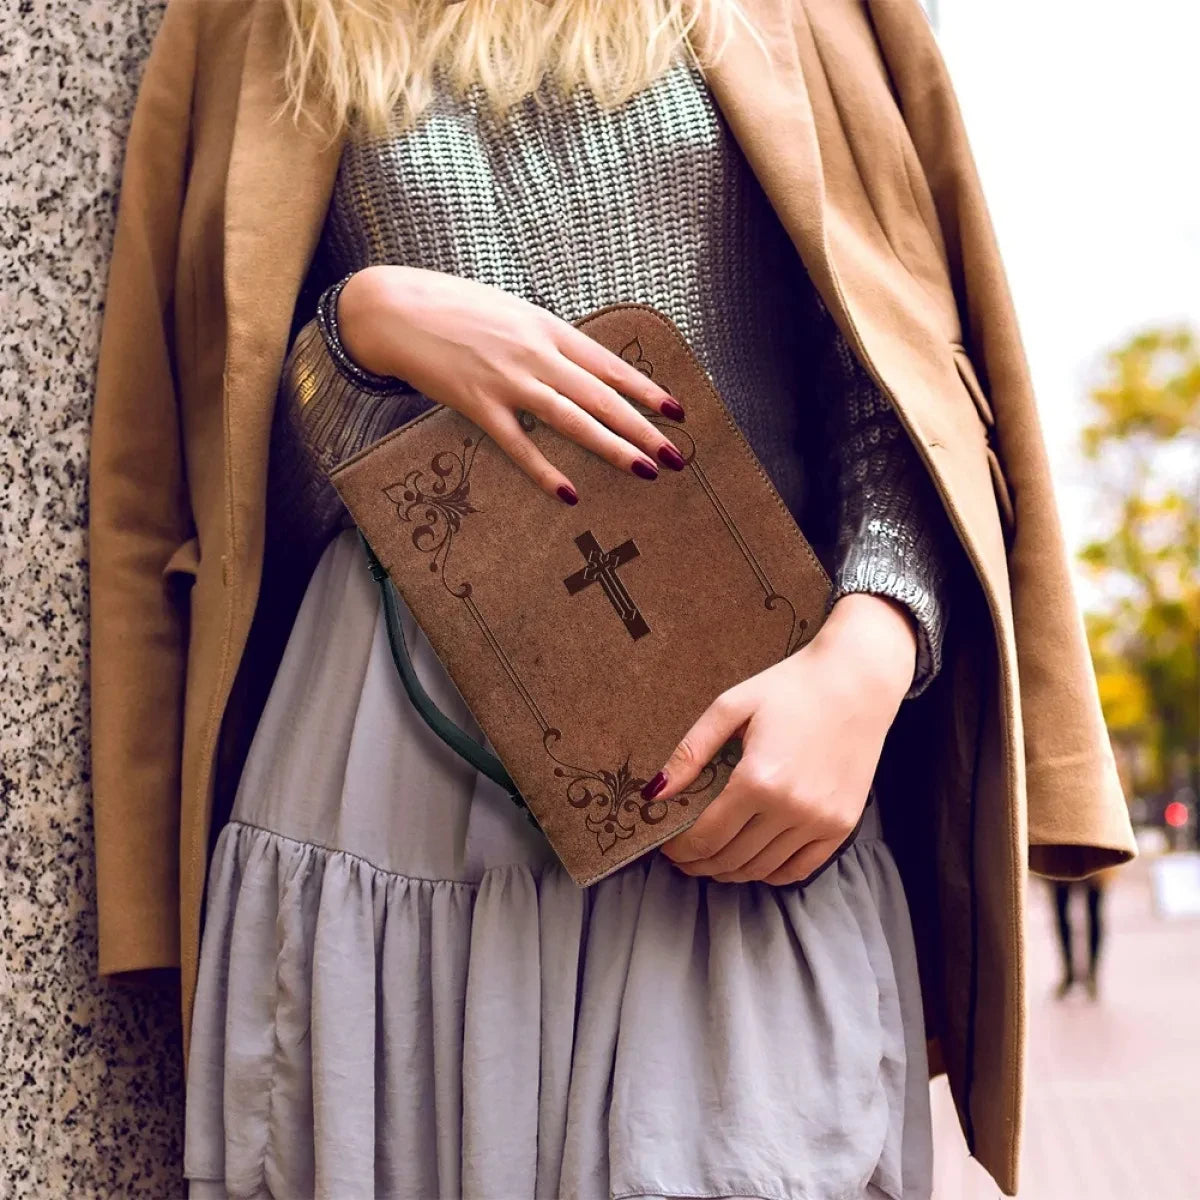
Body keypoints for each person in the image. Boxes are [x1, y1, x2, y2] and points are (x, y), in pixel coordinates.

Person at [87, 1, 1139, 1197]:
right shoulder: (258, 16)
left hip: (743, 759)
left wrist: (875, 644)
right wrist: (361, 329)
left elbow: (894, 372)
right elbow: (210, 488)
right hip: (385, 779)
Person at [1051, 866, 1120, 1000]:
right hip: (1063, 851)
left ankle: (1091, 975)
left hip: (1091, 850)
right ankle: (1070, 973)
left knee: (1093, 910)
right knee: (1063, 910)